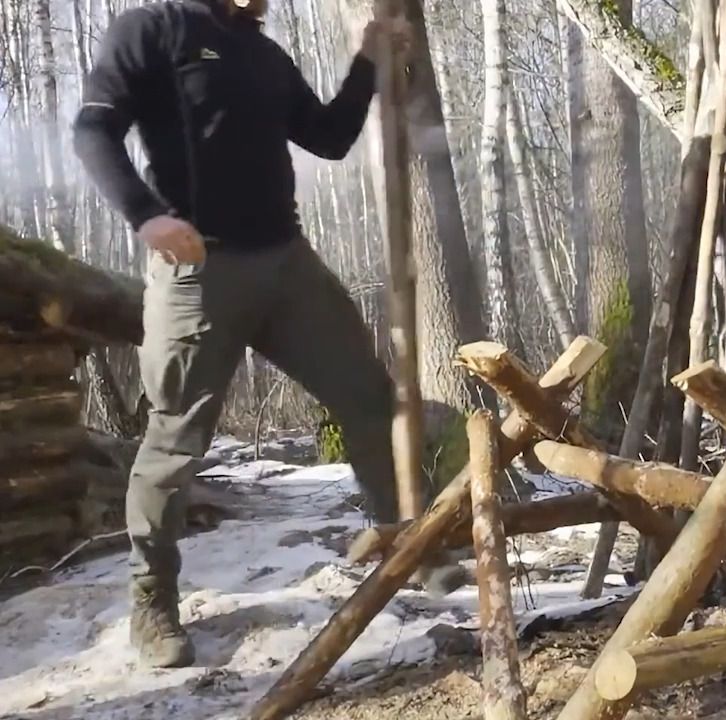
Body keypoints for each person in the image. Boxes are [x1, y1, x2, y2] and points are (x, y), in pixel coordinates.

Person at [73, 0, 466, 670]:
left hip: (287, 262)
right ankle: (152, 602)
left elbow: (328, 135)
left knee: (369, 398)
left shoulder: (262, 53)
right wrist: (145, 216)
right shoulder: (153, 28)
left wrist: (367, 64)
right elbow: (94, 130)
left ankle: (409, 545)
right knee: (174, 440)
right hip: (198, 268)